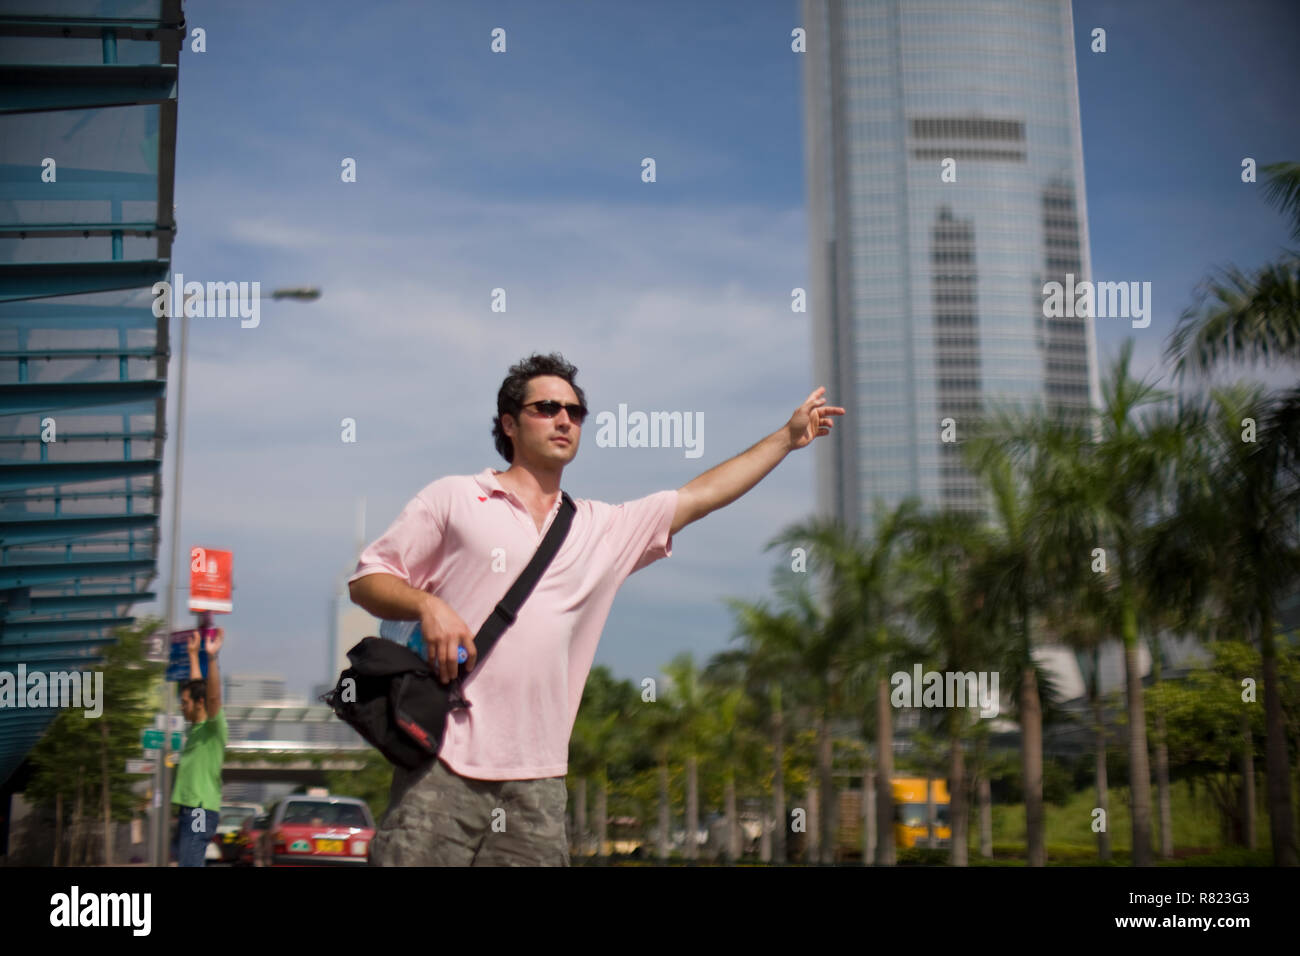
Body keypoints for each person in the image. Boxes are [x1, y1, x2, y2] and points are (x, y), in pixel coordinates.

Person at [348, 352, 843, 866]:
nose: (565, 419)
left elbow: (699, 497)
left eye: (575, 411)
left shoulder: (600, 528)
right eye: (547, 407)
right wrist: (428, 605)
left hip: (537, 781)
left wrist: (786, 439)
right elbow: (369, 580)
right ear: (509, 423)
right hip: (441, 761)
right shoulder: (455, 498)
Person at [171, 621, 226, 867]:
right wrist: (194, 655)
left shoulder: (213, 728)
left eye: (185, 703)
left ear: (200, 704)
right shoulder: (197, 727)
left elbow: (211, 695)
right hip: (190, 810)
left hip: (199, 811)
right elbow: (197, 689)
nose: (182, 707)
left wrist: (211, 658)